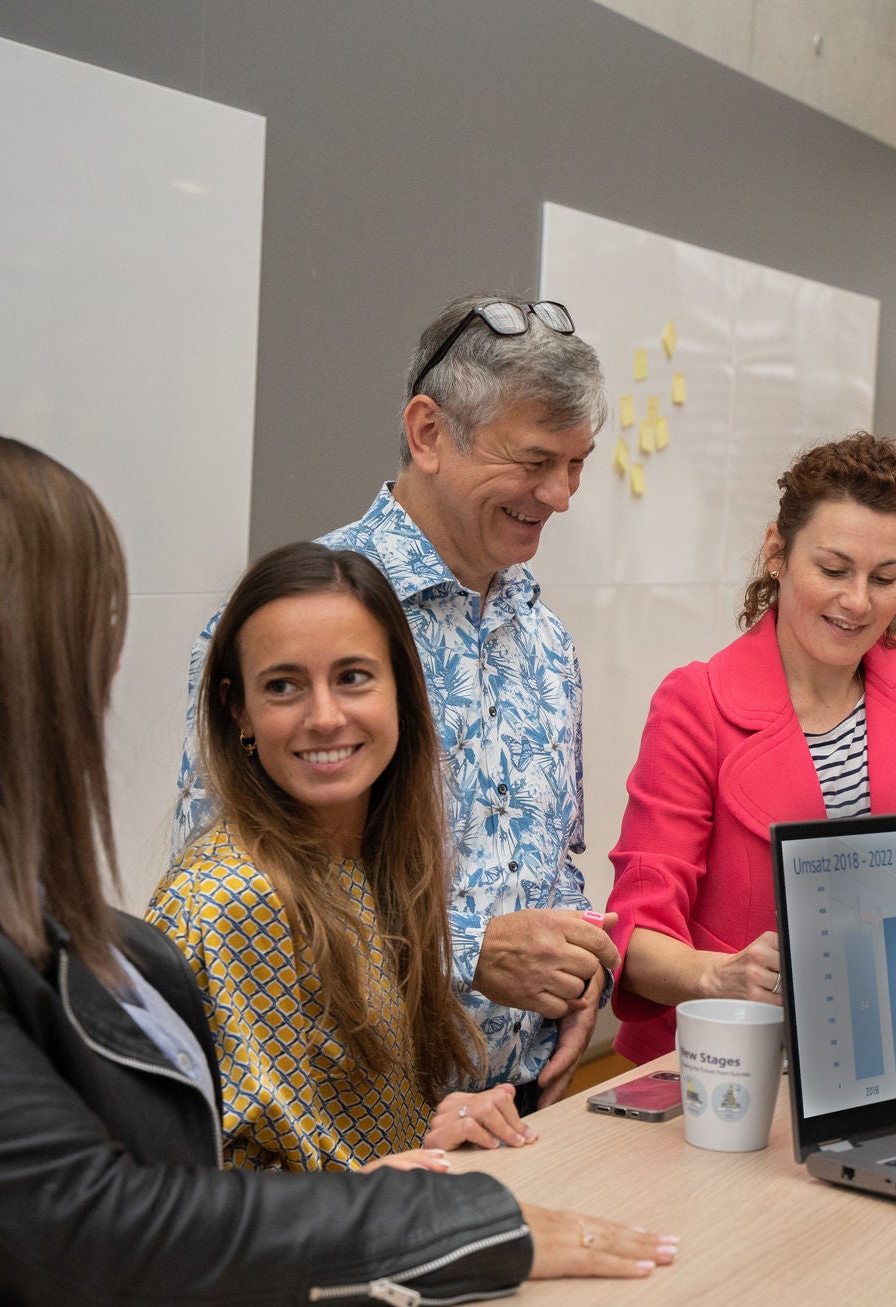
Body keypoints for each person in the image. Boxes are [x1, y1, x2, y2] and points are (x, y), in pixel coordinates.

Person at [0, 430, 672, 1307]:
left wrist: (412, 1148)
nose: (98, 669)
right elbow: (95, 1228)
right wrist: (451, 1215)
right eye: (81, 624)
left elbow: (151, 1170)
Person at [175, 295, 617, 1111]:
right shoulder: (290, 624)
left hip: (524, 1111)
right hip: (348, 1131)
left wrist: (583, 971)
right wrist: (464, 953)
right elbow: (228, 914)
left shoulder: (544, 637)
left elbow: (556, 861)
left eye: (577, 462)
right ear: (428, 433)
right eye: (534, 460)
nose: (560, 494)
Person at [150, 542, 538, 1171]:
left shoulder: (370, 862)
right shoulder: (231, 899)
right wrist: (370, 1186)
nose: (325, 717)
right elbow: (184, 1194)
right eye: (283, 686)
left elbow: (344, 1146)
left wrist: (437, 1129)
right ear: (238, 710)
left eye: (353, 677)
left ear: (401, 690)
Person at [606, 433, 896, 1064]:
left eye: (885, 578)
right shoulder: (696, 703)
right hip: (731, 1062)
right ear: (777, 552)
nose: (858, 602)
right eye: (833, 571)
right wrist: (720, 976)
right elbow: (635, 939)